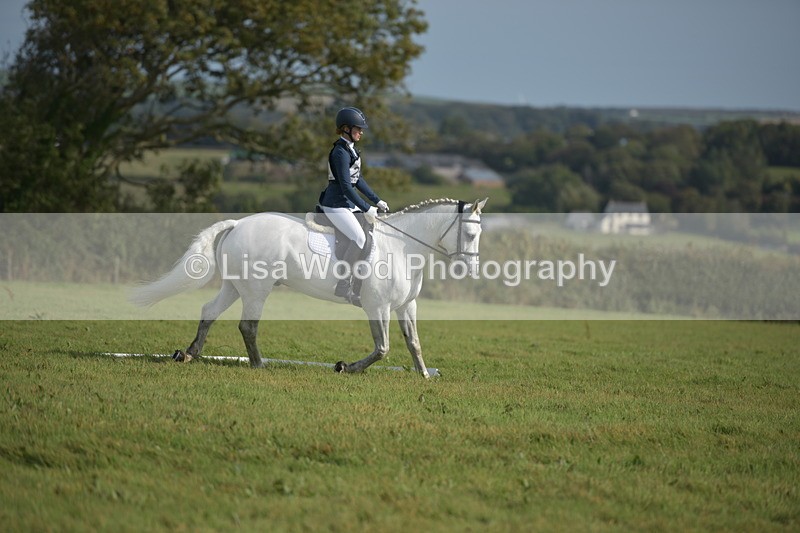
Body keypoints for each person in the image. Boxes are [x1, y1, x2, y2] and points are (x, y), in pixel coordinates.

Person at [318, 106, 389, 305]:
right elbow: (347, 187)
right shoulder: (340, 152)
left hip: (347, 203)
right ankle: (342, 284)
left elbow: (358, 180)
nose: (361, 132)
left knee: (369, 232)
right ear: (346, 128)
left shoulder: (351, 150)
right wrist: (367, 208)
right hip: (335, 204)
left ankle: (360, 283)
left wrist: (377, 200)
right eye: (358, 129)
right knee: (358, 238)